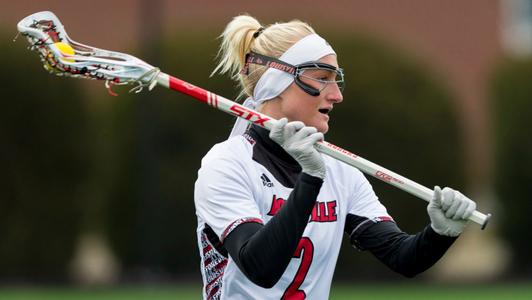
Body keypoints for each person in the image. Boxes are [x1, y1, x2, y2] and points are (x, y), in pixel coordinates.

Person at [194, 15, 476, 300]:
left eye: (335, 79)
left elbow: (403, 257)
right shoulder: (226, 163)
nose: (337, 94)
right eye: (322, 78)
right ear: (276, 82)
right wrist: (311, 177)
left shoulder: (341, 172)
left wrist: (440, 232)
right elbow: (262, 268)